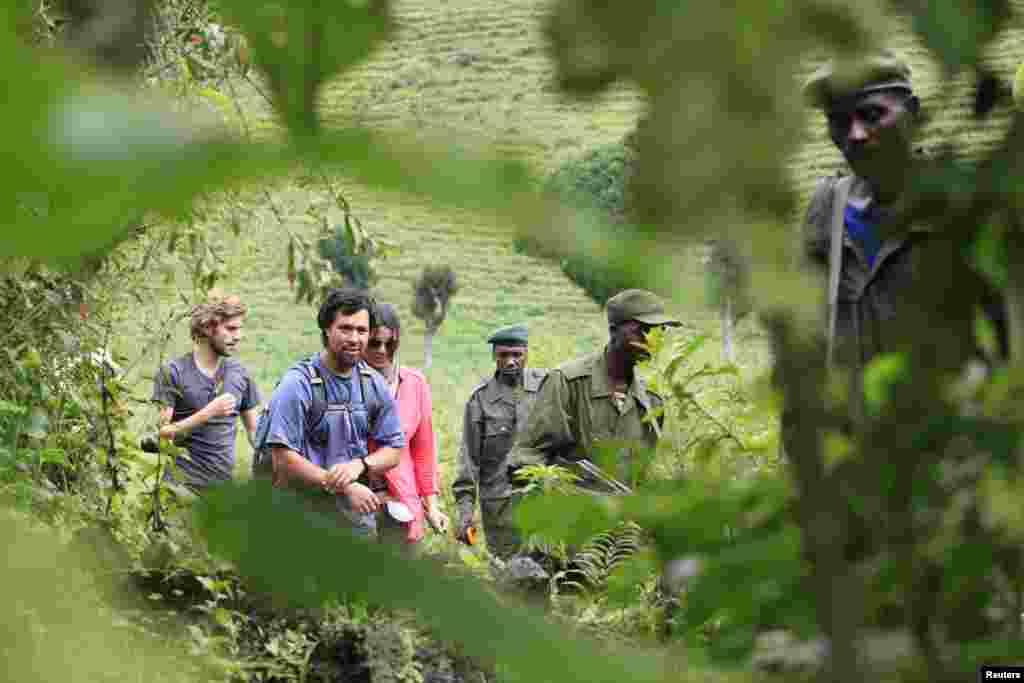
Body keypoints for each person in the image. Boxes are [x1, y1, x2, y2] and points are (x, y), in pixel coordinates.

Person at [801, 51, 1007, 397]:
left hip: (950, 436)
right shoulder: (828, 209)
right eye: (839, 122)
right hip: (858, 438)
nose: (855, 134)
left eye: (872, 115)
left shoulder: (964, 204)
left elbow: (1009, 333)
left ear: (912, 113)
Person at [259, 288, 406, 535]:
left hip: (355, 524)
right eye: (345, 328)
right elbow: (282, 458)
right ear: (327, 330)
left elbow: (394, 449)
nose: (354, 338)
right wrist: (344, 486)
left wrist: (361, 465)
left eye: (361, 330)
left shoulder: (373, 384)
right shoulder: (298, 383)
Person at [507, 290, 680, 488]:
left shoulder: (652, 402)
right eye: (641, 330)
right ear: (614, 330)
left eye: (659, 331)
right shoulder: (567, 382)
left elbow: (641, 475)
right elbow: (527, 457)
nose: (650, 340)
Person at [452, 324, 548, 558]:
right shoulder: (480, 400)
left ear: (526, 353)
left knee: (546, 575)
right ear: (494, 356)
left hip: (543, 503)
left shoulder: (547, 387)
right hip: (500, 509)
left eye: (517, 354)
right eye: (503, 355)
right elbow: (469, 460)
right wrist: (465, 513)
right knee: (506, 579)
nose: (510, 361)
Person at [152, 293, 262, 493]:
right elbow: (163, 433)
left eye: (239, 329)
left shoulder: (239, 373)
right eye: (230, 329)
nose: (238, 336)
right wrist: (208, 413)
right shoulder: (173, 372)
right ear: (207, 328)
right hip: (181, 488)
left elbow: (255, 434)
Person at [363, 302, 449, 545]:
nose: (381, 350)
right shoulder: (347, 382)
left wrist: (432, 506)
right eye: (374, 343)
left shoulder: (415, 383)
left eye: (388, 344)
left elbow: (423, 451)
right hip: (359, 504)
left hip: (403, 504)